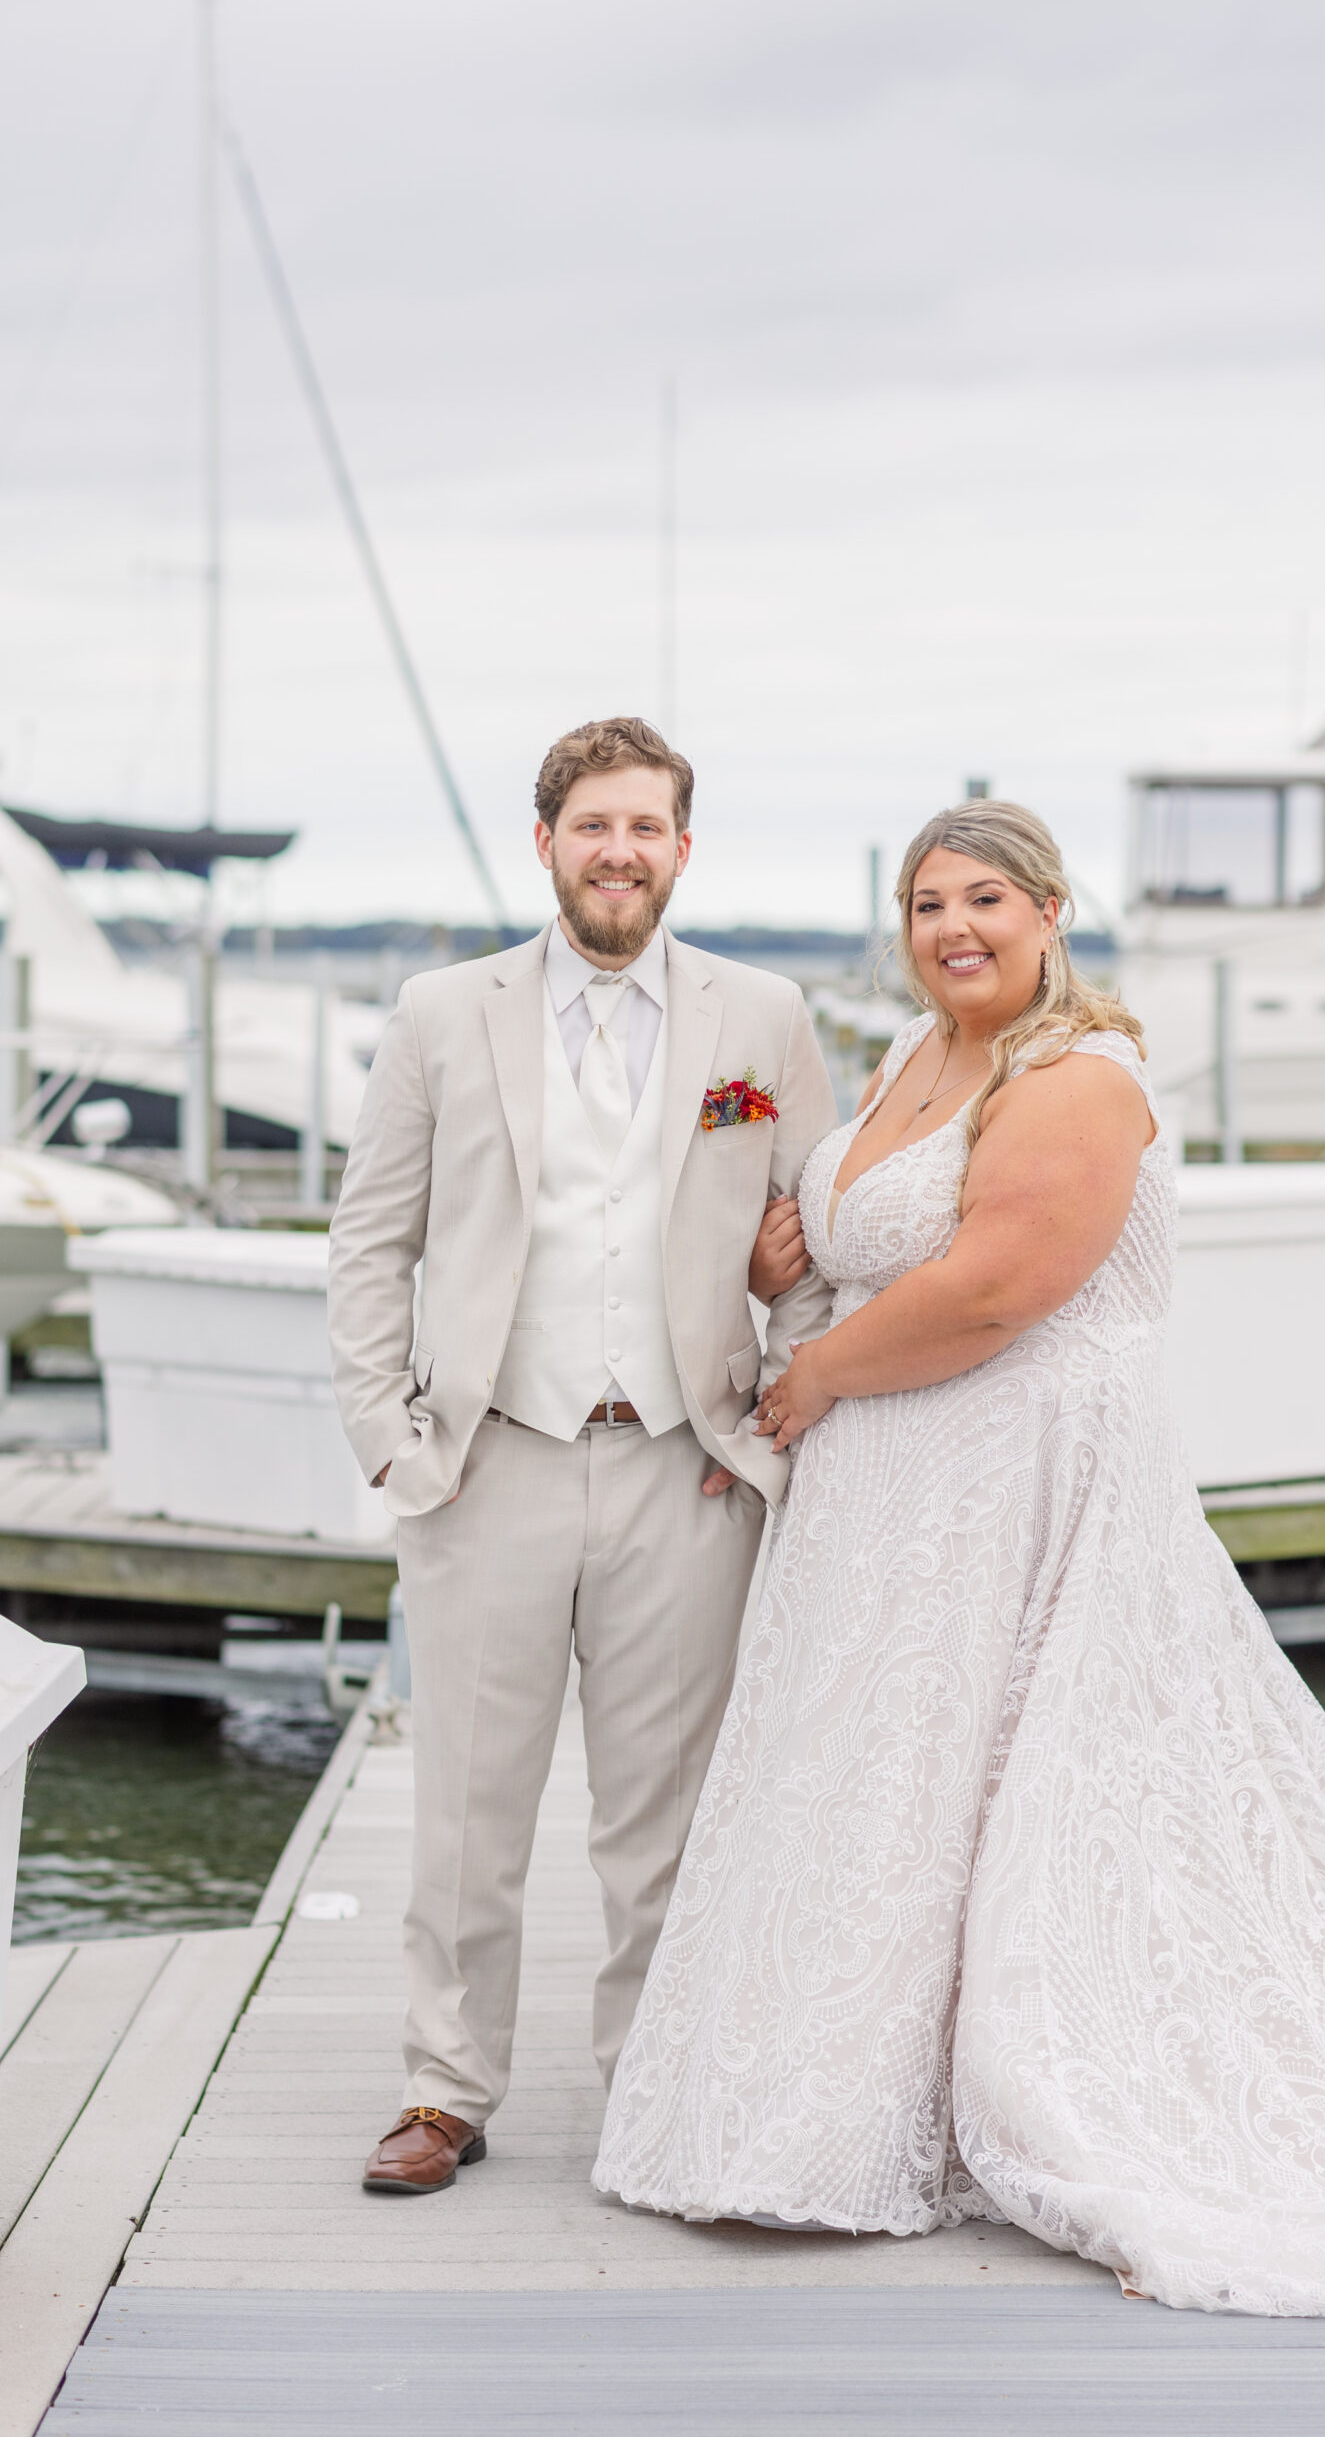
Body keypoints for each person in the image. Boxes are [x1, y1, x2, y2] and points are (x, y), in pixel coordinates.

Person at [595, 796, 1325, 2320]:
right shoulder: (913, 1055)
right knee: (888, 1780)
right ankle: (835, 2090)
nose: (955, 928)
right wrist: (785, 1255)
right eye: (929, 903)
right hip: (889, 1498)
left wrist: (808, 1381)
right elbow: (873, 1227)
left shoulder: (1078, 1075)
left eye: (986, 902)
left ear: (1050, 913)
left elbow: (1000, 1287)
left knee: (1003, 1781)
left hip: (1020, 1477)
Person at [328, 715, 839, 2195]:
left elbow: (806, 1247)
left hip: (685, 1467)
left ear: (684, 847)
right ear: (544, 842)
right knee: (468, 1810)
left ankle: (651, 2085)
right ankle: (445, 2087)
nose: (620, 852)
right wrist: (391, 1440)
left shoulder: (762, 1016)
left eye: (646, 827)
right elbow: (373, 1241)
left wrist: (762, 1425)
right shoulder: (443, 1011)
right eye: (592, 826)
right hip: (492, 1458)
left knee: (661, 1817)